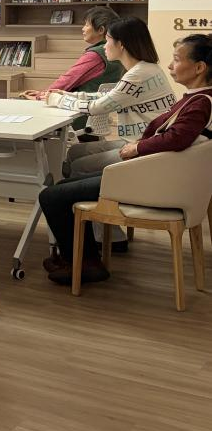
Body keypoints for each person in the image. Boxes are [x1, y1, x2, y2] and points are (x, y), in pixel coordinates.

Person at [38, 33, 212, 285]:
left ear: (199, 67)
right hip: (157, 174)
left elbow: (177, 138)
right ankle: (80, 258)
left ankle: (85, 263)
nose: (170, 65)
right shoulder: (198, 99)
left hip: (152, 180)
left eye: (176, 59)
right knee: (63, 188)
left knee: (51, 195)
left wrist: (138, 147)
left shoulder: (199, 103)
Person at [46, 16, 175, 179]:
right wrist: (68, 94)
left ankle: (77, 191)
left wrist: (58, 100)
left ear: (121, 44)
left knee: (78, 165)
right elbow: (109, 97)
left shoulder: (138, 74)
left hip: (142, 146)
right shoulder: (146, 68)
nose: (104, 46)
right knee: (74, 151)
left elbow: (96, 108)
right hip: (139, 139)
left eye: (107, 41)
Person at [22, 7, 123, 104]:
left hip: (79, 108)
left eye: (87, 25)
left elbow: (68, 80)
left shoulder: (95, 55)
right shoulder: (118, 50)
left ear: (101, 30)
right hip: (102, 107)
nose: (83, 29)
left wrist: (40, 96)